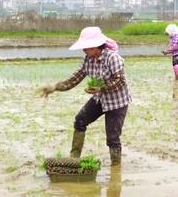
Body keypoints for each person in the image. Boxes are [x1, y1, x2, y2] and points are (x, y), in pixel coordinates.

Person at [40, 27, 131, 166]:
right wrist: (55, 87)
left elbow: (120, 81)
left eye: (86, 47)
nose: (84, 50)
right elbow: (75, 79)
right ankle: (74, 159)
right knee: (80, 120)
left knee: (112, 138)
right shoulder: (88, 60)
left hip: (117, 102)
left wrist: (101, 88)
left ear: (95, 46)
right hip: (100, 99)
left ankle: (116, 168)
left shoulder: (112, 58)